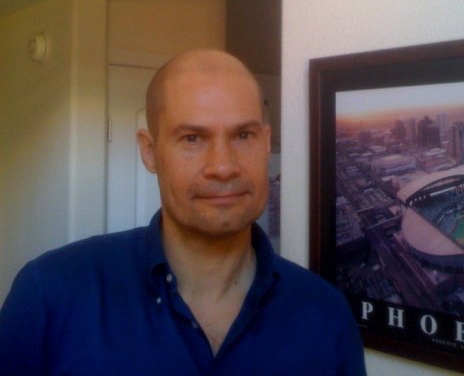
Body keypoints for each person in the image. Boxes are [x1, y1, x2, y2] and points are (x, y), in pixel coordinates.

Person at [0, 50, 367, 375]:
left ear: (266, 142)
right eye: (192, 138)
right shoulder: (51, 295)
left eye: (243, 136)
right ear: (149, 151)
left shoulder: (325, 314)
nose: (223, 166)